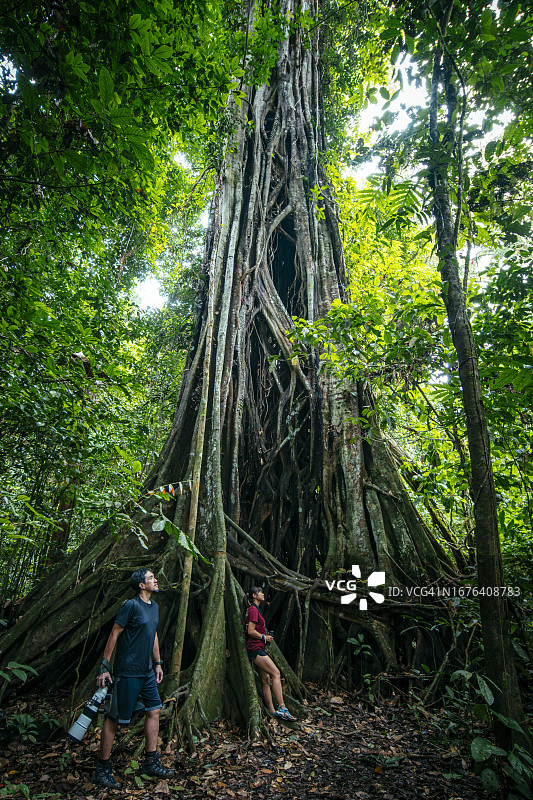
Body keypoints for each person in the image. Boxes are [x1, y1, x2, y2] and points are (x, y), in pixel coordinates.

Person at [92, 568, 174, 789]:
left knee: (154, 709)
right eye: (150, 578)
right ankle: (103, 768)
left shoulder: (154, 607)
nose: (155, 580)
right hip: (127, 671)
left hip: (147, 671)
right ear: (141, 585)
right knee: (114, 718)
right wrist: (105, 666)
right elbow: (115, 633)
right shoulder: (131, 606)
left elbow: (153, 634)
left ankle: (151, 761)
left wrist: (157, 663)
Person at [244, 586, 295, 720]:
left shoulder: (256, 610)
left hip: (258, 647)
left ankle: (272, 711)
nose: (262, 594)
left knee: (266, 680)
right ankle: (283, 708)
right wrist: (263, 637)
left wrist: (265, 638)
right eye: (260, 592)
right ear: (254, 596)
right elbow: (250, 631)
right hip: (256, 649)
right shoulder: (253, 610)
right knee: (276, 673)